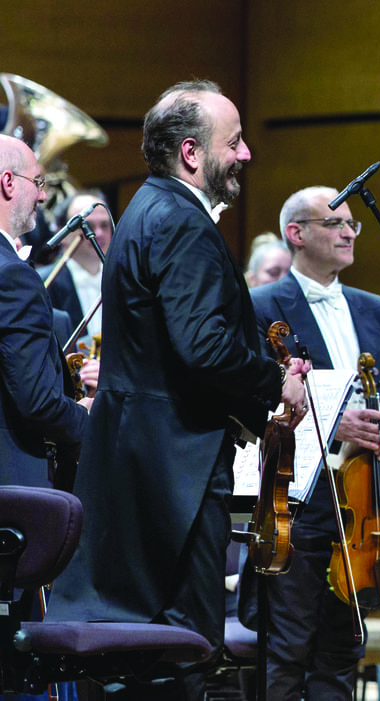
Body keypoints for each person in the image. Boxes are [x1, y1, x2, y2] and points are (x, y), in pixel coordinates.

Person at [47, 80, 308, 699]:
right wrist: (276, 384)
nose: (245, 154)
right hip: (176, 474)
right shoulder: (183, 224)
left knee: (137, 651)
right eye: (235, 141)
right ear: (192, 152)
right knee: (183, 649)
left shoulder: (143, 210)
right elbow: (203, 347)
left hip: (138, 462)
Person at [245, 185, 380, 700]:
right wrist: (334, 423)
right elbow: (254, 399)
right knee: (289, 649)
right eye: (335, 223)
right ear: (296, 234)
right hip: (299, 501)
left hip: (365, 504)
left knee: (344, 651)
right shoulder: (260, 307)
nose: (348, 232)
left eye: (352, 225)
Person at [0, 133, 91, 490]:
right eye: (37, 182)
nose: (42, 195)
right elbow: (38, 402)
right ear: (8, 182)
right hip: (14, 483)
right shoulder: (12, 275)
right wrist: (86, 416)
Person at [39, 190, 111, 344]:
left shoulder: (123, 279)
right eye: (88, 226)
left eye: (105, 225)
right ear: (62, 232)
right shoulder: (44, 283)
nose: (98, 233)